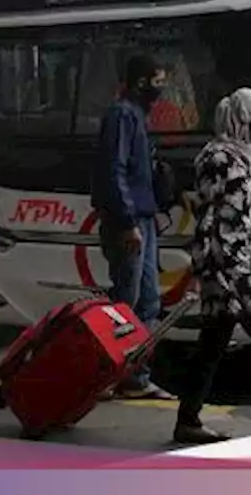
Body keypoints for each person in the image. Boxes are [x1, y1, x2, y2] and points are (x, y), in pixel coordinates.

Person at [174, 88, 251, 444]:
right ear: (243, 118)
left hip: (232, 263)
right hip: (227, 267)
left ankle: (187, 420)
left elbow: (244, 216)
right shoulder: (219, 158)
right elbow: (211, 218)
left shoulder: (237, 156)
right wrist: (221, 273)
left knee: (212, 343)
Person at [91, 54, 173, 400]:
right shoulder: (122, 115)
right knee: (128, 300)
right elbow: (114, 171)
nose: (161, 88)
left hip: (142, 219)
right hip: (128, 223)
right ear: (141, 82)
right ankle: (111, 373)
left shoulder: (137, 116)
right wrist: (128, 222)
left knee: (148, 301)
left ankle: (136, 375)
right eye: (157, 81)